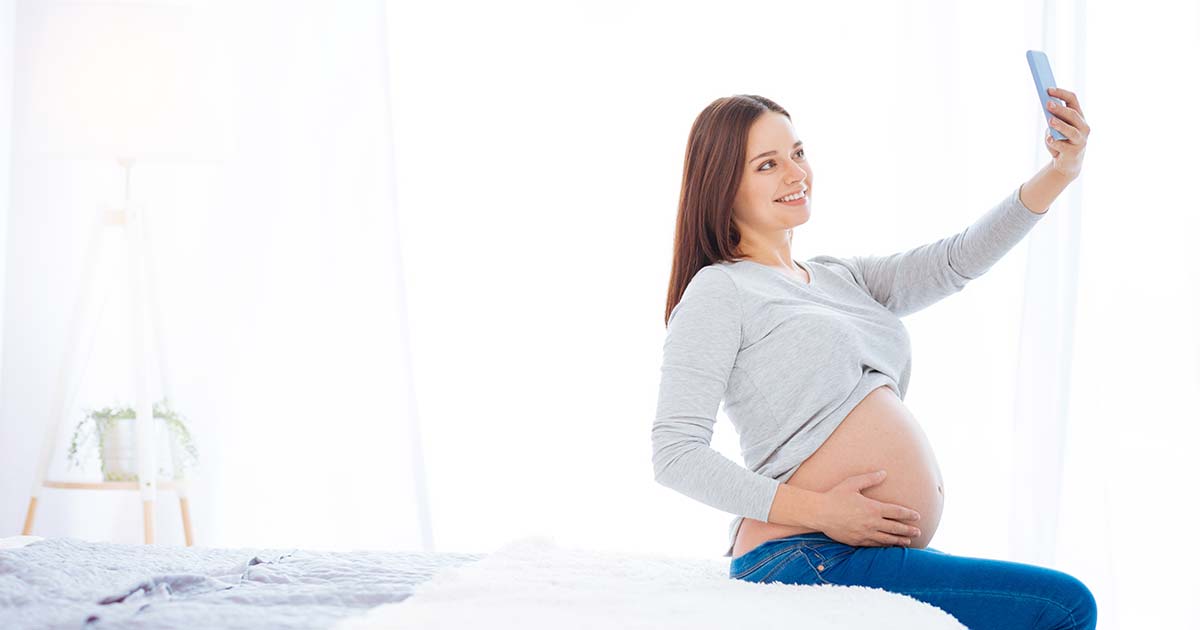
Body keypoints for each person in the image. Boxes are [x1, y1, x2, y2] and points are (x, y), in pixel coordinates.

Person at [651, 93, 1095, 630]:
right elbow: (675, 454)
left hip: (838, 550)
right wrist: (823, 512)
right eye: (766, 165)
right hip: (804, 552)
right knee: (1063, 606)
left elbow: (956, 260)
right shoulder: (719, 290)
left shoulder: (840, 277)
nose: (795, 173)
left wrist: (1059, 171)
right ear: (722, 185)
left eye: (797, 152)